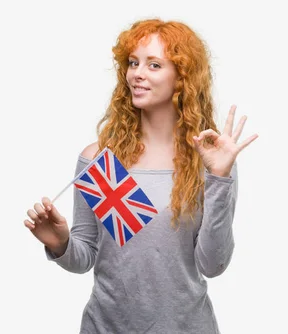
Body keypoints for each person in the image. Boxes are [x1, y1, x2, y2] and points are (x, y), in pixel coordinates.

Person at [24, 18, 258, 333]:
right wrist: (62, 244)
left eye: (154, 65)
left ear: (182, 78)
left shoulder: (209, 161)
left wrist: (219, 177)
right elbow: (85, 257)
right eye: (133, 63)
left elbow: (212, 265)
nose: (137, 73)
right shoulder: (101, 159)